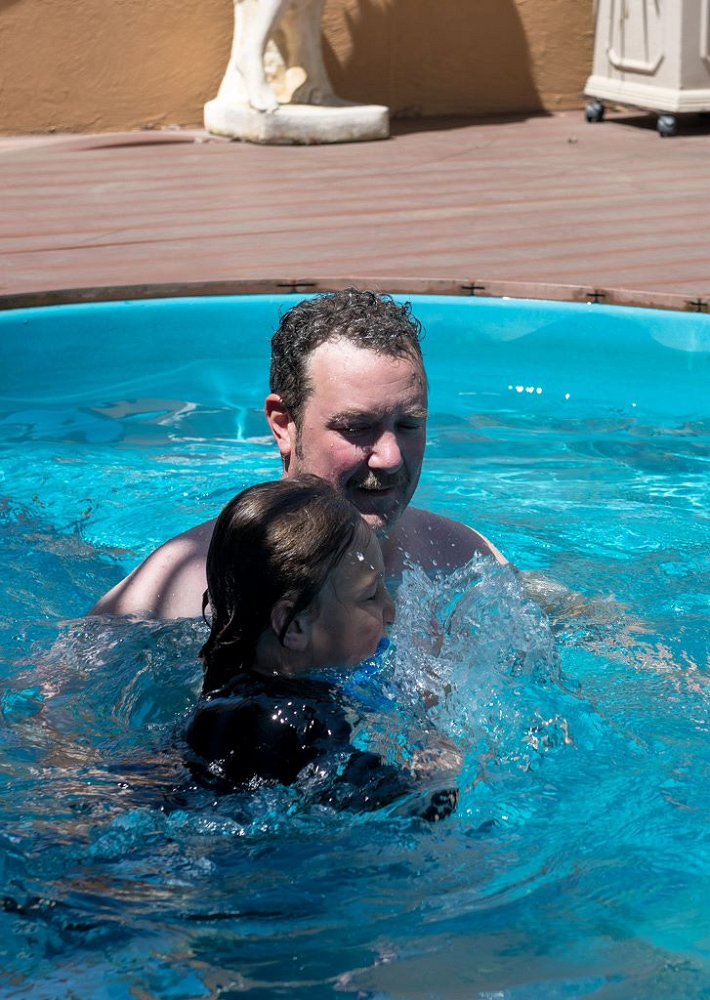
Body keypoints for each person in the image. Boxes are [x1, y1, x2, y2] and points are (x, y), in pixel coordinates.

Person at [91, 289, 504, 620]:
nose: (391, 457)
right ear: (284, 424)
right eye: (356, 427)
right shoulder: (176, 593)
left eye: (409, 425)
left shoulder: (466, 565)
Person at [184, 475, 458, 819]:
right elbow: (407, 810)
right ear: (293, 625)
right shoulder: (298, 723)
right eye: (370, 596)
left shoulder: (224, 695)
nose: (391, 611)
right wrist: (440, 768)